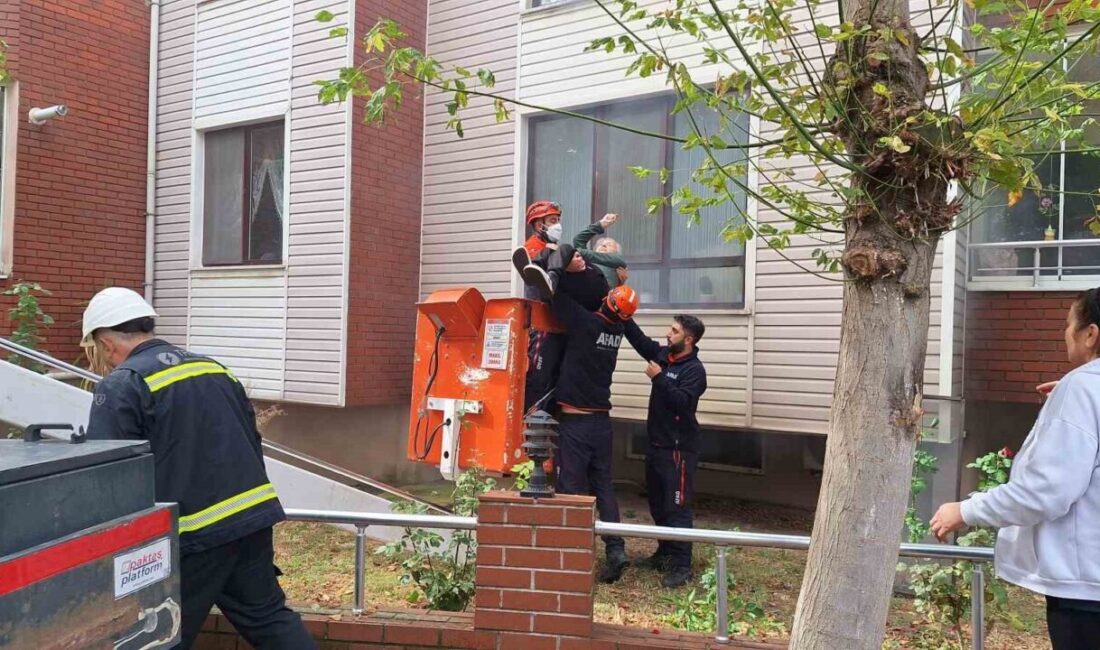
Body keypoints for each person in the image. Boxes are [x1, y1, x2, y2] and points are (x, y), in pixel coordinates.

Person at [81, 287, 316, 650]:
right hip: (251, 520)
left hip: (192, 537)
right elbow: (251, 441)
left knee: (159, 632)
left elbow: (109, 478)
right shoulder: (214, 368)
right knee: (269, 619)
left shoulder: (122, 385)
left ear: (106, 343)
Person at [930, 288, 1100, 650]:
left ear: (1091, 334)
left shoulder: (1084, 388)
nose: (1064, 333)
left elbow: (1046, 490)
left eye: (1069, 324)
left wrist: (965, 510)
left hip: (1088, 593)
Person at [525, 260, 639, 583]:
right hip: (602, 423)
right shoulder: (616, 331)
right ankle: (615, 548)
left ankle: (571, 556)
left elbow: (553, 298)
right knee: (603, 486)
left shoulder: (586, 324)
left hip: (575, 424)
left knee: (571, 490)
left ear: (606, 303)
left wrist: (558, 268)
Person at [622, 315, 708, 588]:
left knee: (677, 507)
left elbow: (682, 402)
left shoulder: (694, 370)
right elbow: (640, 342)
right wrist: (623, 315)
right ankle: (664, 553)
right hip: (656, 446)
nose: (667, 334)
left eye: (674, 331)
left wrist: (659, 379)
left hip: (678, 451)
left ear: (689, 339)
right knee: (658, 505)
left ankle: (682, 566)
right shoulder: (664, 355)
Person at [574, 213, 629, 289]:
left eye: (609, 244)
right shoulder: (586, 259)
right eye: (600, 244)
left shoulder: (618, 262)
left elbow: (584, 253)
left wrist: (576, 252)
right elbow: (578, 240)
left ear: (616, 252)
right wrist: (601, 224)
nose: (603, 245)